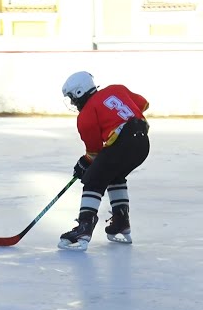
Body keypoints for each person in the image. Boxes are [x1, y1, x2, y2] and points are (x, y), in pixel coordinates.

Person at [58, 71, 150, 250]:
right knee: (114, 175)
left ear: (79, 92)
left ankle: (84, 228)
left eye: (72, 98)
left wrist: (84, 164)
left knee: (93, 179)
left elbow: (94, 151)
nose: (72, 102)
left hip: (123, 144)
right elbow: (143, 104)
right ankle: (121, 222)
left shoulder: (85, 115)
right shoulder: (117, 89)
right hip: (143, 143)